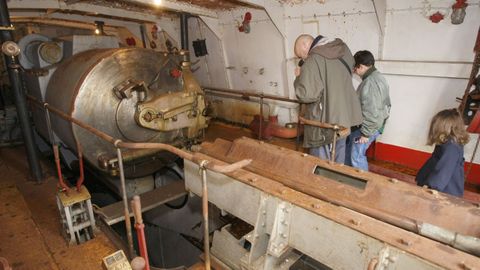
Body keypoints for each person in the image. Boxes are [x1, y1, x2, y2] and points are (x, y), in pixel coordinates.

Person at [294, 34, 362, 163]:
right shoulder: (343, 50)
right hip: (345, 117)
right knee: (338, 157)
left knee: (320, 163)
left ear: (305, 45)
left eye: (300, 55)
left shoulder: (313, 60)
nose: (302, 58)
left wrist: (299, 77)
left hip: (325, 122)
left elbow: (306, 95)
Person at [346, 50, 391, 171]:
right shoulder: (378, 76)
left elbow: (372, 111)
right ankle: (350, 175)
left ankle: (362, 183)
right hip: (374, 124)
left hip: (369, 126)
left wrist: (366, 133)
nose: (355, 73)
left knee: (357, 156)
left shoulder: (370, 83)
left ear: (360, 66)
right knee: (352, 150)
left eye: (355, 70)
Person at [416, 108, 470, 197]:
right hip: (439, 182)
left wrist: (432, 187)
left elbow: (445, 170)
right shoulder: (447, 142)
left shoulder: (452, 147)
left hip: (446, 189)